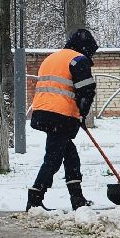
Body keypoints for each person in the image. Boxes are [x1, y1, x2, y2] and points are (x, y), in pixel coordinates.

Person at [26, 27, 99, 211]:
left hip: (42, 113)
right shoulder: (78, 60)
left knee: (70, 156)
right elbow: (87, 91)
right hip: (60, 116)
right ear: (85, 48)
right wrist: (82, 113)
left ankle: (77, 199)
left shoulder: (52, 58)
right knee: (53, 158)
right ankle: (34, 198)